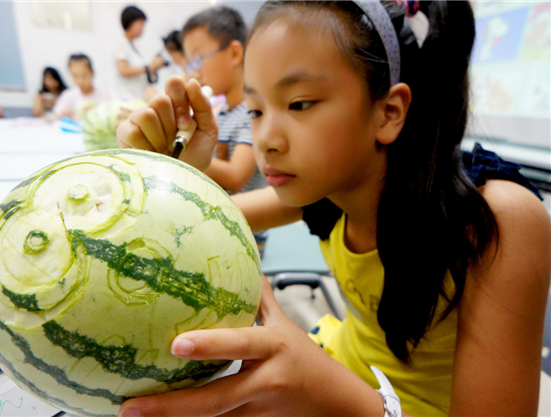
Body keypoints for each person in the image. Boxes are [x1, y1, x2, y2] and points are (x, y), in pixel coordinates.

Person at [116, 1, 550, 416]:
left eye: (299, 104)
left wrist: (318, 387)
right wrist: (170, 169)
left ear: (389, 111)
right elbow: (190, 220)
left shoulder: (497, 219)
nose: (266, 138)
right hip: (342, 374)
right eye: (255, 110)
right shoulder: (324, 189)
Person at [182, 6, 270, 254]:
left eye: (198, 59)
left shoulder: (252, 113)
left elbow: (235, 175)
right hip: (222, 222)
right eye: (191, 63)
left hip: (245, 235)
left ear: (233, 53)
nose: (195, 71)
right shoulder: (220, 113)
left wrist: (183, 155)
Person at [115, 5, 166, 100]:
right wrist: (148, 68)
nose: (142, 29)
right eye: (141, 24)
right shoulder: (122, 44)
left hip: (137, 97)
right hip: (128, 98)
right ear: (131, 23)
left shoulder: (132, 46)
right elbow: (123, 70)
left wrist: (153, 68)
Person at [53, 54, 110, 121]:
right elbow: (55, 116)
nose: (80, 81)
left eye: (84, 75)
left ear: (92, 73)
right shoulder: (68, 95)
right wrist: (63, 114)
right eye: (75, 76)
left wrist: (99, 111)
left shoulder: (105, 96)